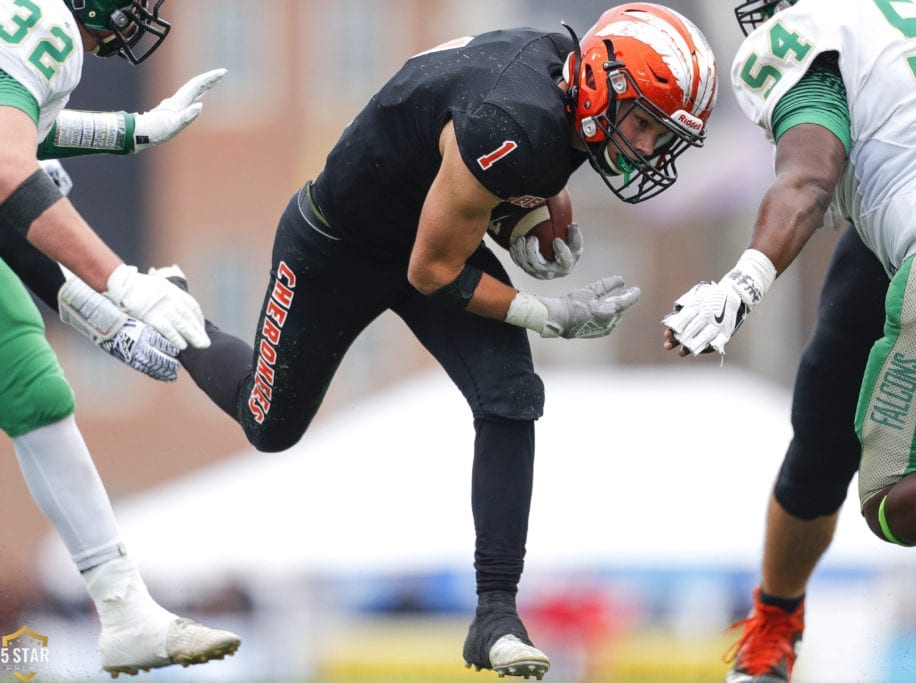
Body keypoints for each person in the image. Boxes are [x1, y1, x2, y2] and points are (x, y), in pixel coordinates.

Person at [157, 3, 717, 679]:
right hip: (339, 245)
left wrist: (526, 223)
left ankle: (495, 614)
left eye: (662, 133)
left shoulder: (561, 79)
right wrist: (549, 310)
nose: (648, 147)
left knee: (511, 394)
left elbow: (497, 172)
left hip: (427, 224)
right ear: (602, 82)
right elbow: (431, 271)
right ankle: (178, 316)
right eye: (645, 123)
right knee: (267, 424)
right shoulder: (518, 119)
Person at [661, 0, 916, 680]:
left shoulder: (811, 32)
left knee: (886, 490)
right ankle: (775, 622)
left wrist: (743, 283)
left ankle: (772, 625)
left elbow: (806, 177)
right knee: (826, 418)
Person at [0, 0, 242, 676]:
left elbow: (22, 134)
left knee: (31, 382)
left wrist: (135, 129)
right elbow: (8, 168)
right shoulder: (45, 24)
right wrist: (118, 286)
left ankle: (126, 609)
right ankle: (125, 611)